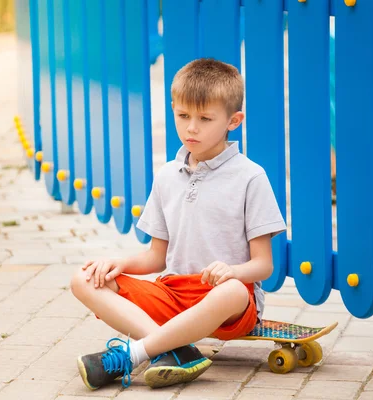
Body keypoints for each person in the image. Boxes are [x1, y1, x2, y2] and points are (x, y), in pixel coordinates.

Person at [70, 58, 286, 390]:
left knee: (229, 291)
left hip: (226, 299)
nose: (191, 129)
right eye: (183, 116)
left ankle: (135, 353)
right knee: (84, 279)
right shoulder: (167, 176)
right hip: (173, 294)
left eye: (205, 119)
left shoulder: (250, 178)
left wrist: (233, 272)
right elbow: (156, 258)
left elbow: (263, 265)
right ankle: (175, 349)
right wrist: (119, 263)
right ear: (173, 109)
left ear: (234, 121)